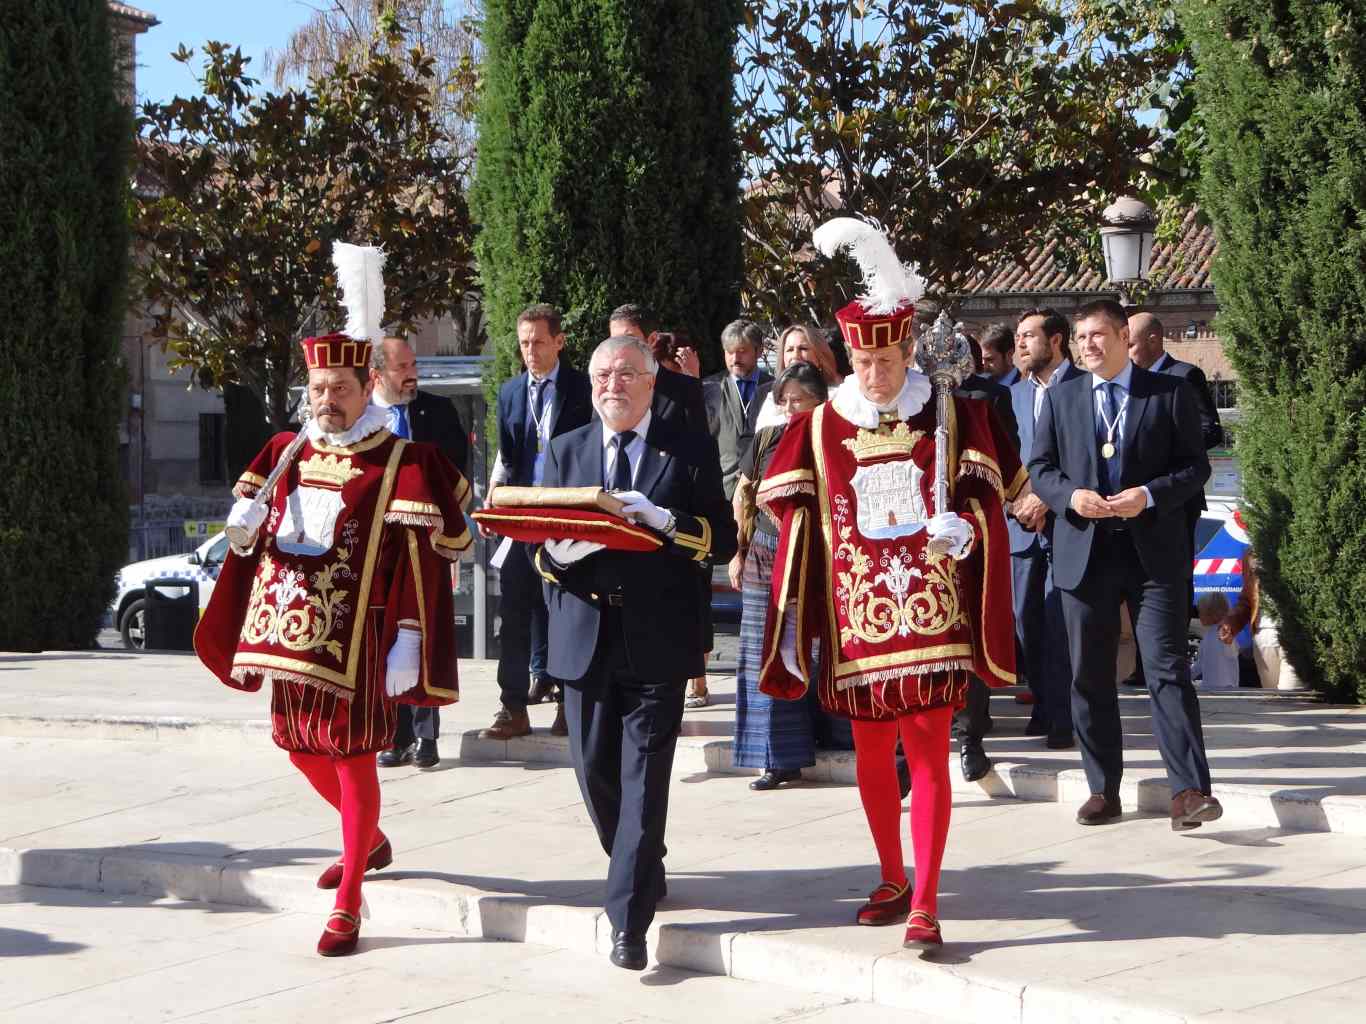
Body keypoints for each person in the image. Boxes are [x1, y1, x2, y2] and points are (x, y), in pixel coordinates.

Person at [761, 217, 1022, 950]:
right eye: (863, 361)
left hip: (933, 613)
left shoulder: (952, 413)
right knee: (872, 755)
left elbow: (987, 496)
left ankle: (928, 897)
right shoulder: (817, 427)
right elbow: (789, 510)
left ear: (910, 350)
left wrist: (966, 530)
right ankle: (890, 872)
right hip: (856, 620)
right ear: (847, 355)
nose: (875, 374)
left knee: (930, 749)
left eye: (888, 360)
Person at [195, 309, 471, 957]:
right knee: (297, 744)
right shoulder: (287, 453)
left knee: (351, 755)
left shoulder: (400, 460)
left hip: (362, 640)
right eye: (317, 390)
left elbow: (420, 554)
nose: (326, 401)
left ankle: (350, 896)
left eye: (339, 390)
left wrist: (408, 633)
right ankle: (368, 842)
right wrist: (248, 515)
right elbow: (262, 539)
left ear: (367, 386)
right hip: (292, 635)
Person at [534, 334, 736, 971]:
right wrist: (557, 558)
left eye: (625, 373)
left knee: (644, 782)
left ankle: (627, 922)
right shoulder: (564, 451)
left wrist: (666, 523)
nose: (611, 384)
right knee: (598, 779)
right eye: (600, 374)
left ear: (651, 382)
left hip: (657, 641)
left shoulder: (688, 449)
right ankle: (641, 862)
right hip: (583, 642)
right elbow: (540, 540)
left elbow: (722, 542)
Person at [1028, 298, 1221, 832]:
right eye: (1081, 336)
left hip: (1152, 553)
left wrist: (1150, 495)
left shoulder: (1170, 393)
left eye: (1098, 335)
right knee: (1090, 675)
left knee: (1167, 670)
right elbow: (1039, 466)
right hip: (1084, 551)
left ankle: (1189, 791)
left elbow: (1195, 467)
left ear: (1123, 338)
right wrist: (1070, 497)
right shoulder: (1062, 396)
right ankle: (1101, 789)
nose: (1088, 344)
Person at [480, 304, 593, 741]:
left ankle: (569, 703)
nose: (530, 351)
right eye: (524, 342)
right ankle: (513, 708)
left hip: (565, 519)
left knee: (564, 612)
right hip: (522, 519)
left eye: (539, 342)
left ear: (558, 342)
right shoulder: (510, 392)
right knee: (513, 615)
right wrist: (494, 496)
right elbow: (507, 455)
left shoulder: (582, 388)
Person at [369, 334, 470, 770]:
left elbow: (457, 474)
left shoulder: (439, 412)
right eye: (402, 367)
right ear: (377, 374)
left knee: (424, 636)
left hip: (426, 545)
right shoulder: (365, 419)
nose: (412, 374)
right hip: (376, 548)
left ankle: (427, 738)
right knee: (383, 637)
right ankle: (395, 735)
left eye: (413, 365)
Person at [730, 362, 829, 790]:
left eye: (799, 400)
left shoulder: (830, 439)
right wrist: (739, 550)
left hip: (817, 555)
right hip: (766, 553)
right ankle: (775, 757)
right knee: (762, 652)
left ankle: (835, 735)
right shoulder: (768, 437)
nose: (790, 408)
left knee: (816, 649)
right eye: (784, 400)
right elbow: (744, 496)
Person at [1120, 311, 1224, 688]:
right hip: (1134, 500)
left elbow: (1211, 429)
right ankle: (1143, 664)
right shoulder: (1127, 383)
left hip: (1175, 500)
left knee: (1173, 581)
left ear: (1153, 340)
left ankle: (1168, 662)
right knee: (1135, 576)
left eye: (1130, 343)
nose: (1126, 351)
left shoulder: (1184, 376)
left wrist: (1166, 447)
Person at [1007, 308, 1084, 748]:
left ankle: (1064, 715)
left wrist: (1047, 498)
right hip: (1020, 525)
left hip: (1068, 524)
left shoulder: (1085, 387)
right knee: (1026, 622)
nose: (1020, 344)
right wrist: (1015, 501)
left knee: (1063, 622)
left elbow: (1088, 457)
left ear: (1055, 340)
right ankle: (1043, 701)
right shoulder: (1014, 396)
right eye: (1017, 336)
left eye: (1029, 336)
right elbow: (1005, 458)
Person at [704, 319, 775, 502]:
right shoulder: (710, 388)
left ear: (759, 351)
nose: (735, 359)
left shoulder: (775, 389)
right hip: (722, 493)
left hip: (764, 492)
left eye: (742, 352)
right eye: (730, 352)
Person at [609, 304, 707, 433]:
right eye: (615, 340)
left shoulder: (685, 390)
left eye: (629, 339)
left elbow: (699, 446)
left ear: (652, 339)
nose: (620, 347)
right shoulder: (605, 388)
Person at [1192, 593, 1239, 690]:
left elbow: (1200, 664)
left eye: (1201, 612)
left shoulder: (1212, 636)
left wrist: (1183, 677)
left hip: (1213, 688)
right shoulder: (1226, 633)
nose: (1199, 615)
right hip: (1230, 686)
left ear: (1212, 614)